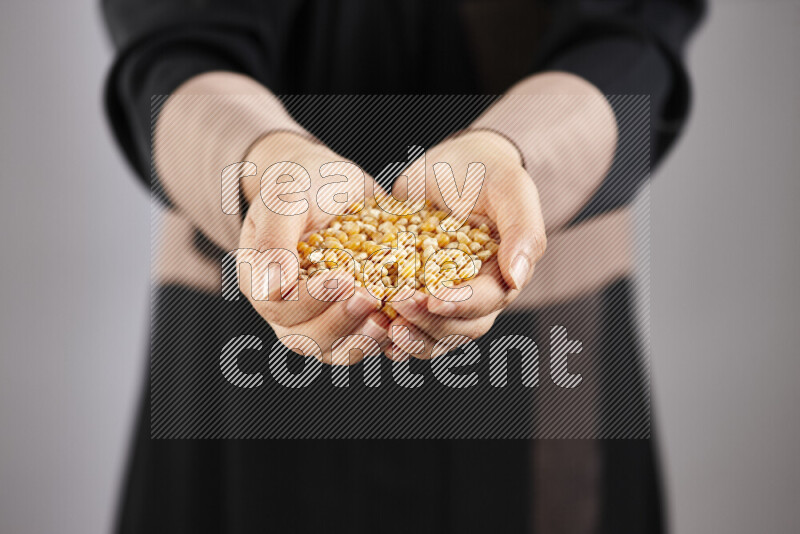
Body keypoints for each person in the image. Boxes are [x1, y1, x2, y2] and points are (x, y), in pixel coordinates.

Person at [103, 0, 704, 532]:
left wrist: (514, 152)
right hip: (247, 298)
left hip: (544, 328)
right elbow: (172, 43)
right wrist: (265, 163)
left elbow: (633, 33)